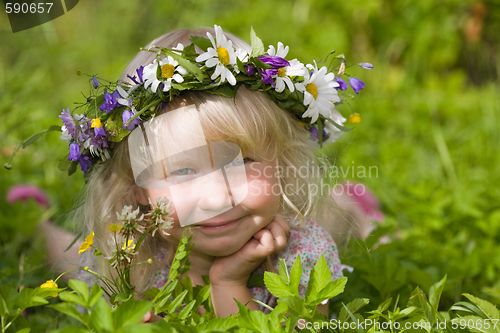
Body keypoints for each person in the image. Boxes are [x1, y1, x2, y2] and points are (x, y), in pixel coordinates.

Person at [42, 25, 371, 318]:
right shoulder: (132, 259)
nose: (216, 199)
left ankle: (356, 209)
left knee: (335, 215)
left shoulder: (304, 256)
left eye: (241, 163)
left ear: (282, 166)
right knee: (70, 258)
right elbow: (76, 268)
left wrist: (228, 283)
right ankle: (35, 221)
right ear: (137, 188)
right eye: (183, 170)